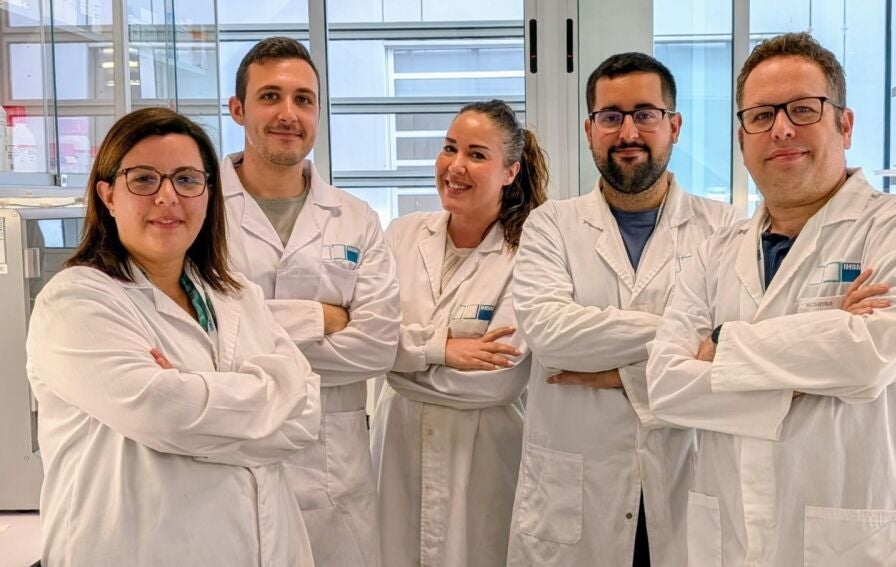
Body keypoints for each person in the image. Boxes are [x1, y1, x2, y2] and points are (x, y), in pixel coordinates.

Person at [645, 32, 896, 566]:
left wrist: (722, 345)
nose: (782, 128)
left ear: (845, 124)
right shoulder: (715, 250)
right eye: (761, 115)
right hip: (729, 540)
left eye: (804, 109)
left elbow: (868, 356)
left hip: (849, 543)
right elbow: (666, 385)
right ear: (742, 138)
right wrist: (821, 357)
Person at [25, 107, 320, 567]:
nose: (168, 197)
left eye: (186, 180)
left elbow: (307, 414)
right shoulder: (76, 302)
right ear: (108, 195)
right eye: (144, 179)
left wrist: (192, 393)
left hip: (266, 546)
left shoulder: (236, 295)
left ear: (208, 193)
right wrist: (269, 396)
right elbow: (164, 413)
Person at [506, 52, 738, 567]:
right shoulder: (551, 226)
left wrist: (624, 374)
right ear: (590, 129)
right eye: (611, 116)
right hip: (575, 492)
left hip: (684, 477)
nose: (628, 132)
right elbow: (550, 335)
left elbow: (733, 355)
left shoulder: (725, 230)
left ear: (674, 125)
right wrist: (683, 339)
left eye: (645, 114)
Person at [221, 37, 401, 567]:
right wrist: (320, 317)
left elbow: (377, 346)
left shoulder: (355, 218)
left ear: (318, 113)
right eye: (270, 96)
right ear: (238, 109)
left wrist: (247, 338)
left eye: (303, 99)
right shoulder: (199, 210)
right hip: (230, 461)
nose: (288, 113)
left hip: (332, 470)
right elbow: (198, 339)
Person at [370, 99, 547, 567]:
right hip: (397, 448)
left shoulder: (528, 254)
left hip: (485, 460)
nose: (456, 166)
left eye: (477, 154)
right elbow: (369, 342)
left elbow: (499, 381)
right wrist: (442, 350)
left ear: (510, 172)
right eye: (450, 148)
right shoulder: (402, 235)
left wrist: (400, 365)